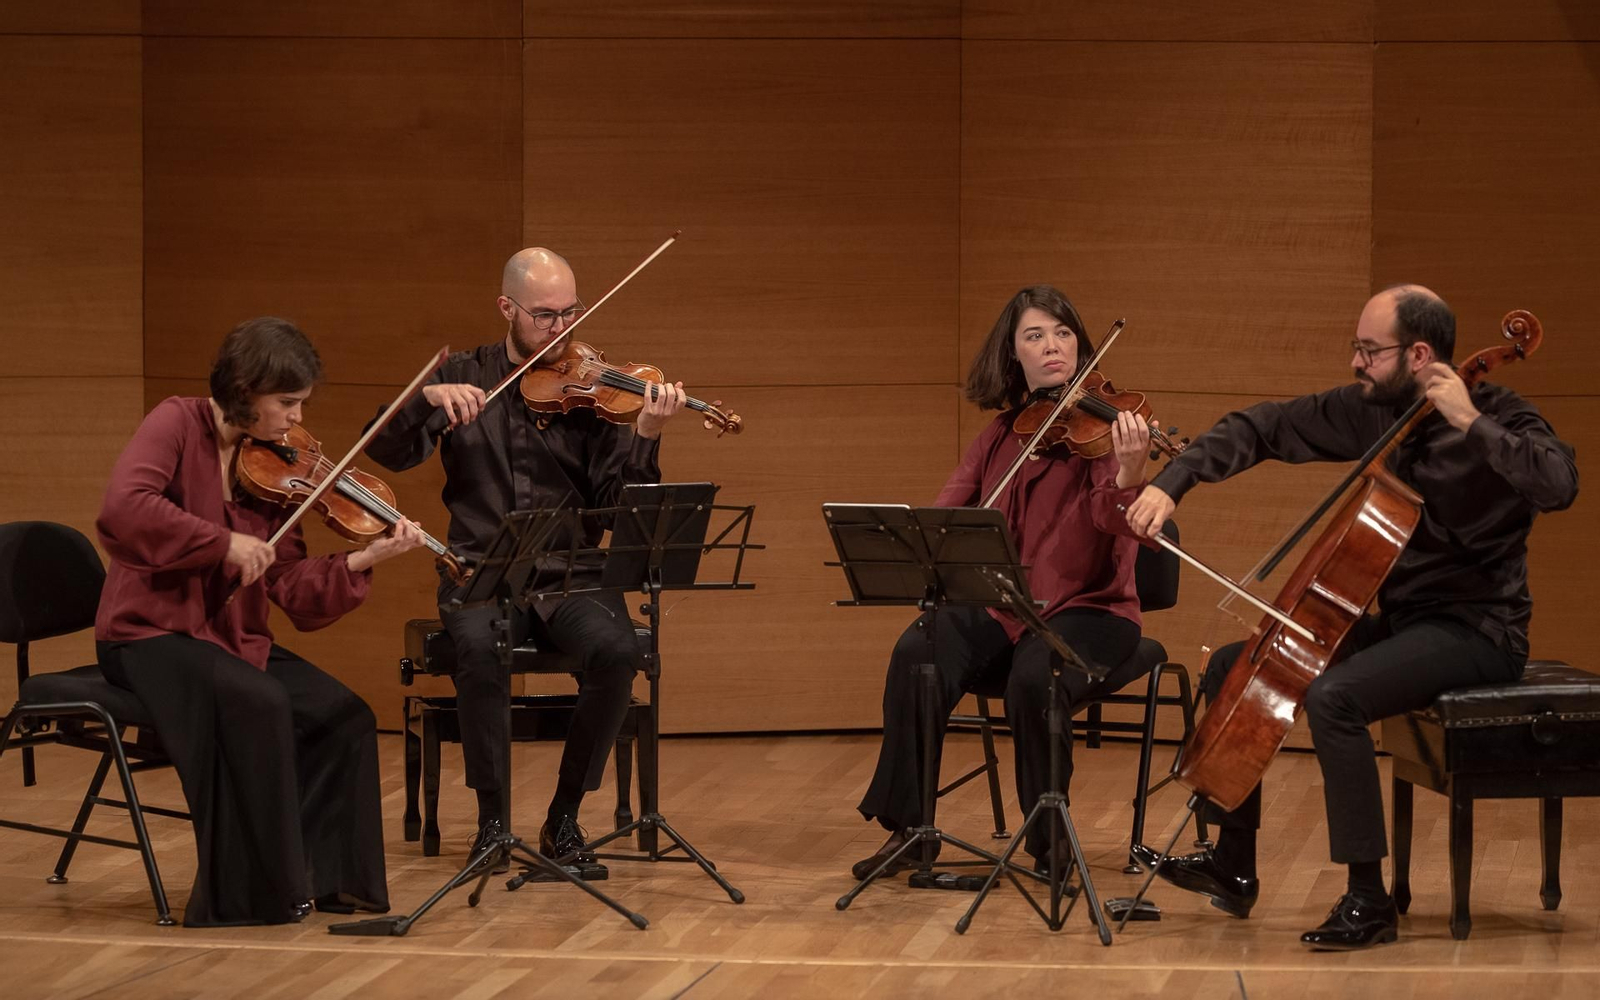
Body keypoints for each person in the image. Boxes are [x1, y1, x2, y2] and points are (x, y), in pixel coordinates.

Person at [1123, 285, 1579, 949]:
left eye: (1370, 351)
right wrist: (1172, 483)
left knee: (1335, 698)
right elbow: (1261, 428)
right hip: (1406, 622)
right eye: (1357, 350)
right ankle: (1233, 864)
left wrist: (1467, 421)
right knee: (1237, 663)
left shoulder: (1500, 413)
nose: (1358, 364)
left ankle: (1368, 900)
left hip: (1478, 631)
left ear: (1420, 354)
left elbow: (1559, 484)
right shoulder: (1376, 412)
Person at [95, 316, 427, 926]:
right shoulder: (177, 421)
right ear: (245, 390)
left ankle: (334, 882)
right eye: (287, 403)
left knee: (343, 714)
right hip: (150, 633)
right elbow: (124, 508)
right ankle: (256, 894)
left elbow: (288, 586)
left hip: (230, 637)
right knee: (260, 700)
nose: (296, 420)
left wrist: (362, 557)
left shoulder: (273, 468)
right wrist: (219, 542)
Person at [364, 247, 686, 872]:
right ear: (506, 308)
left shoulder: (590, 391)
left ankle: (563, 819)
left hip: (570, 573)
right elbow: (390, 452)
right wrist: (427, 398)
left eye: (571, 312)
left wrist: (645, 436)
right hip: (479, 570)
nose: (560, 330)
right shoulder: (465, 374)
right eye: (544, 315)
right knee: (480, 652)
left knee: (619, 651)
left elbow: (616, 510)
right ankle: (491, 826)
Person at [851, 285, 1154, 879]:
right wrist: (924, 546)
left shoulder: (1104, 434)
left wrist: (1131, 470)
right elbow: (948, 511)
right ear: (1012, 354)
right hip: (1005, 607)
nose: (1052, 346)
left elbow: (1113, 522)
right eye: (1034, 336)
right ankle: (911, 830)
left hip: (1090, 611)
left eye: (1063, 333)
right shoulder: (1003, 434)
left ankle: (1051, 843)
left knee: (1038, 675)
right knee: (921, 647)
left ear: (1080, 345)